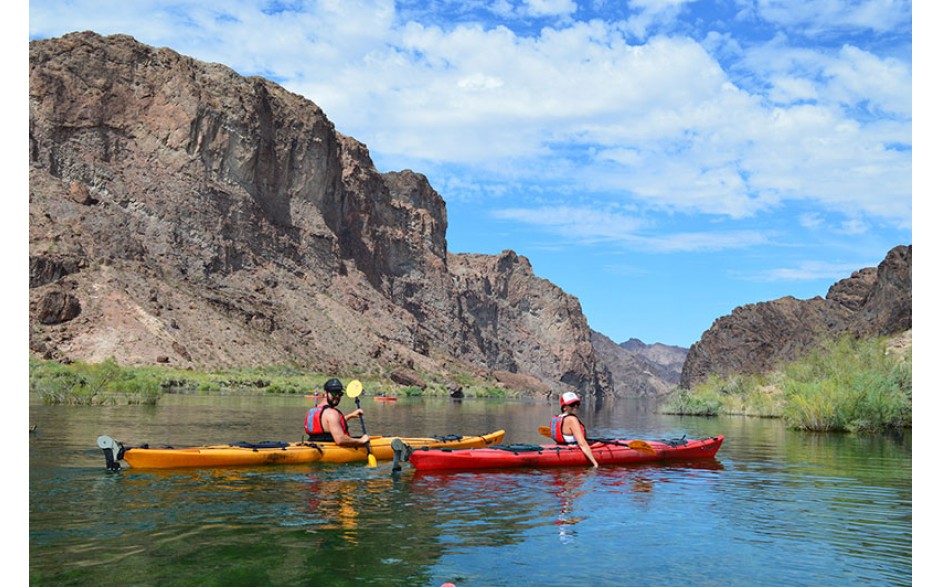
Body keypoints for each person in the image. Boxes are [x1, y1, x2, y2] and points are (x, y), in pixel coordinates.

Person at [304, 378, 370, 447]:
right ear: (325, 393)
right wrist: (361, 441)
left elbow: (329, 425)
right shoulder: (332, 414)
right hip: (330, 449)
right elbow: (341, 440)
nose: (337, 396)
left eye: (340, 393)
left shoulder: (312, 411)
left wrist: (350, 416)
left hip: (314, 445)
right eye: (334, 393)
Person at [549, 391, 599, 468]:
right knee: (602, 444)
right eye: (572, 405)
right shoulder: (572, 419)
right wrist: (595, 464)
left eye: (577, 404)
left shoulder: (557, 418)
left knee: (599, 442)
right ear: (564, 407)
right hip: (573, 448)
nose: (576, 407)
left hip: (562, 446)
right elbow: (582, 444)